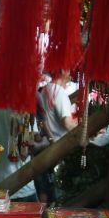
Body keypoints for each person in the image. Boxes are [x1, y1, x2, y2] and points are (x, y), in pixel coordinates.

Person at [35, 70, 79, 202]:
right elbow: (67, 123)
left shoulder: (45, 89)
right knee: (55, 192)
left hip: (48, 144)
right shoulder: (59, 92)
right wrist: (84, 126)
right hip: (58, 147)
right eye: (69, 68)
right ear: (63, 71)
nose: (72, 72)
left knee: (44, 189)